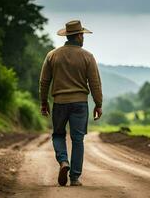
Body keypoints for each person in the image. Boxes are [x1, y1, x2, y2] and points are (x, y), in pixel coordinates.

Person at [39, 20, 103, 186]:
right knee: (77, 140)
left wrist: (44, 102)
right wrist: (98, 103)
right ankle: (74, 178)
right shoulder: (87, 56)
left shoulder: (52, 55)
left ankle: (63, 162)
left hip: (59, 103)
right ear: (79, 36)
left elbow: (44, 82)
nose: (83, 37)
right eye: (82, 34)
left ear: (67, 36)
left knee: (58, 135)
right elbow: (94, 83)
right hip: (80, 104)